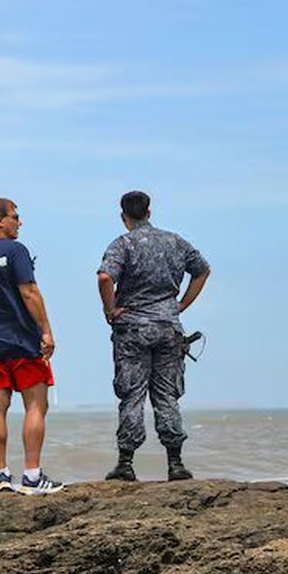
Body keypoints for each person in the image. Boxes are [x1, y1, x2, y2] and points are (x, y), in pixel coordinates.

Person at [97, 191, 211, 481]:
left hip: (132, 328)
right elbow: (203, 270)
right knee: (166, 395)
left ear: (124, 217)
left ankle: (125, 463)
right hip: (168, 328)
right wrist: (181, 304)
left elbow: (104, 277)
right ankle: (175, 464)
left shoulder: (123, 244)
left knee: (132, 395)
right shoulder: (175, 241)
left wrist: (110, 310)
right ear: (149, 212)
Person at [0, 198, 65, 495]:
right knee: (36, 404)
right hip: (21, 337)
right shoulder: (15, 250)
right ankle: (32, 475)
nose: (19, 223)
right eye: (15, 217)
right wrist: (46, 330)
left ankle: (2, 475)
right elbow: (29, 292)